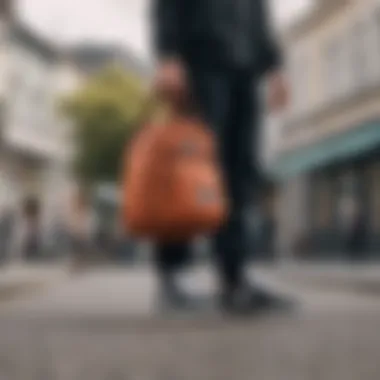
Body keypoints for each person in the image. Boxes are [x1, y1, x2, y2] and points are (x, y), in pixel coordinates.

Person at [152, 0, 289, 313]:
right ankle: (172, 274)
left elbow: (259, 13)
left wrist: (275, 68)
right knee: (189, 172)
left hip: (246, 71)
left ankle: (233, 279)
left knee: (240, 174)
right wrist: (169, 56)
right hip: (201, 65)